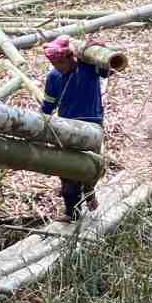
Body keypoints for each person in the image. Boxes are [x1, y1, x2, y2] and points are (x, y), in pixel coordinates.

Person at [39, 36, 107, 221]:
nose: (58, 66)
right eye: (54, 63)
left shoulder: (87, 67)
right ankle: (71, 213)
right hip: (66, 127)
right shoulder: (53, 76)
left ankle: (89, 190)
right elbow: (48, 105)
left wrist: (98, 48)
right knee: (67, 169)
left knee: (91, 165)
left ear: (70, 57)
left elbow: (107, 70)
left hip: (92, 124)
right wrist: (39, 123)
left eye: (60, 62)